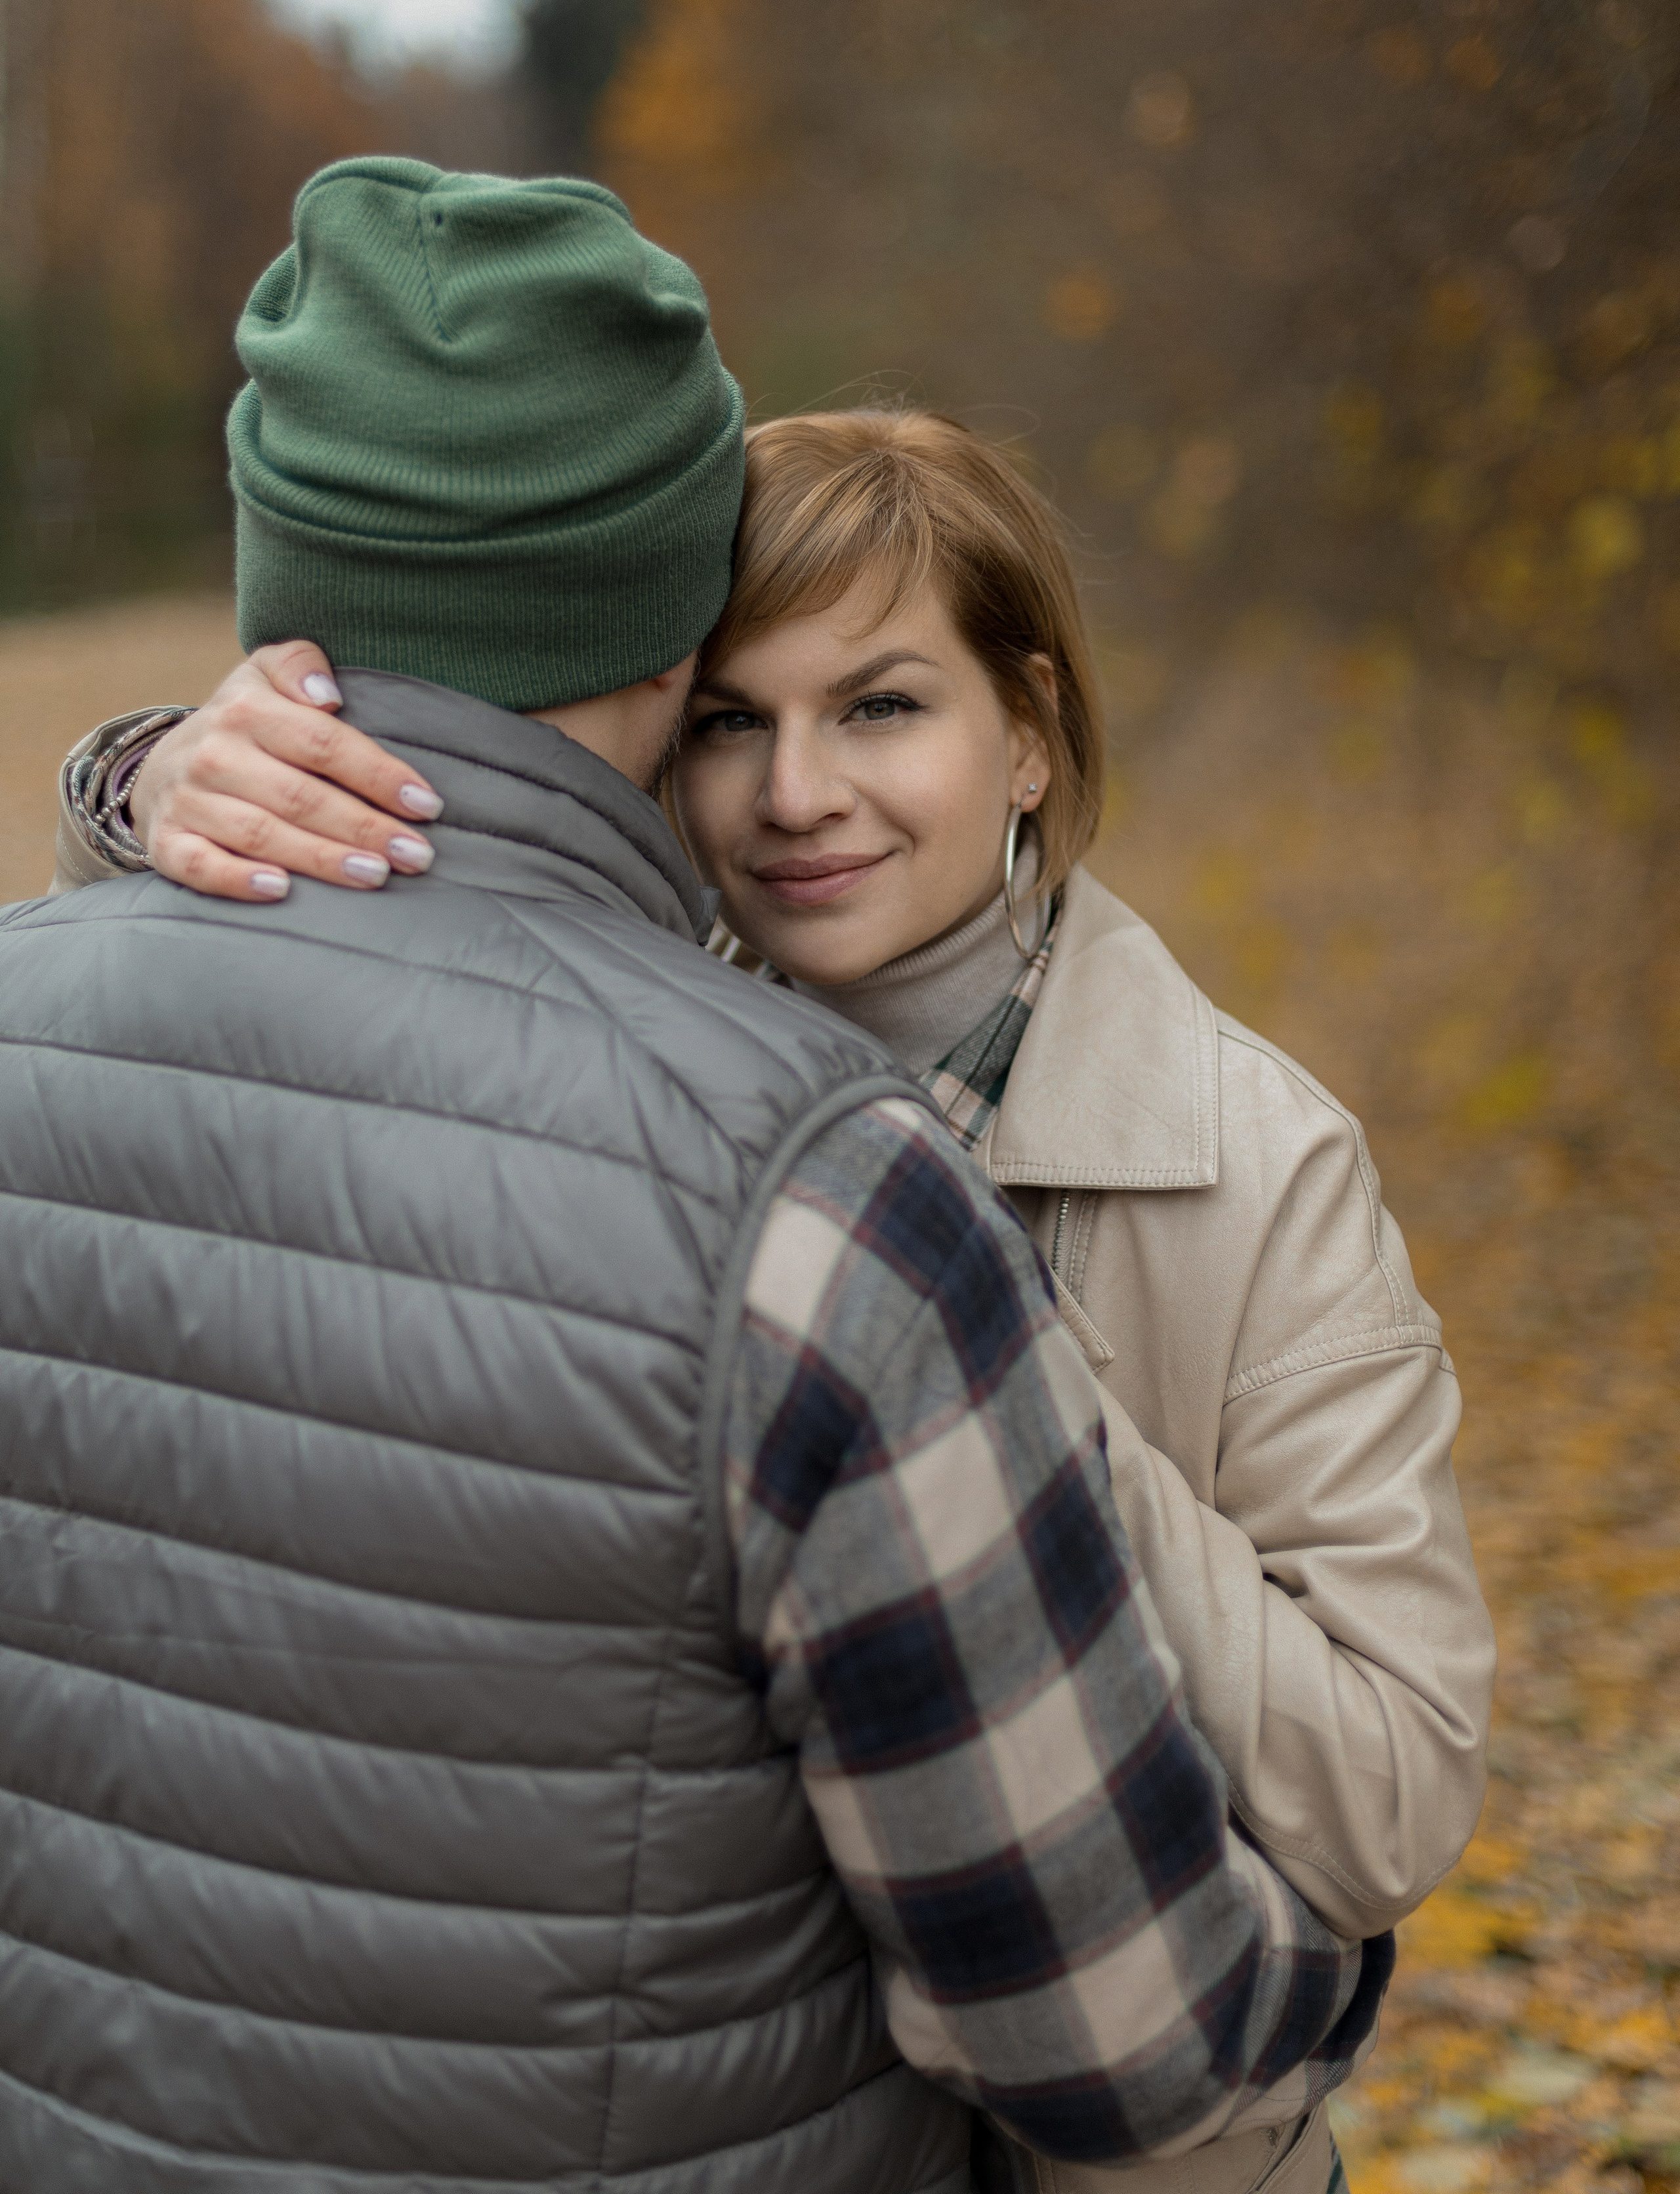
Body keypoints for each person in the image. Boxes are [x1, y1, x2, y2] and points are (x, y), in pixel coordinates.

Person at [3, 161, 1389, 2194]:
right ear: (672, 609)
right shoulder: (822, 1203)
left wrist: (128, 791)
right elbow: (1127, 2044)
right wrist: (1326, 1984)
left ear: (274, 596)